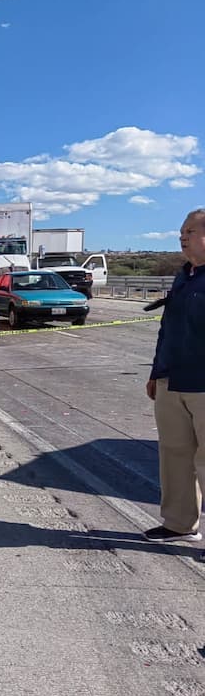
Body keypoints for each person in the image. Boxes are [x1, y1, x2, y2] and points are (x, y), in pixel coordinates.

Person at [144, 208, 205, 544]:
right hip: (172, 381)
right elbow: (167, 329)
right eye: (181, 232)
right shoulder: (184, 276)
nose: (182, 237)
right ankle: (179, 524)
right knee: (175, 456)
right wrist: (157, 372)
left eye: (190, 232)